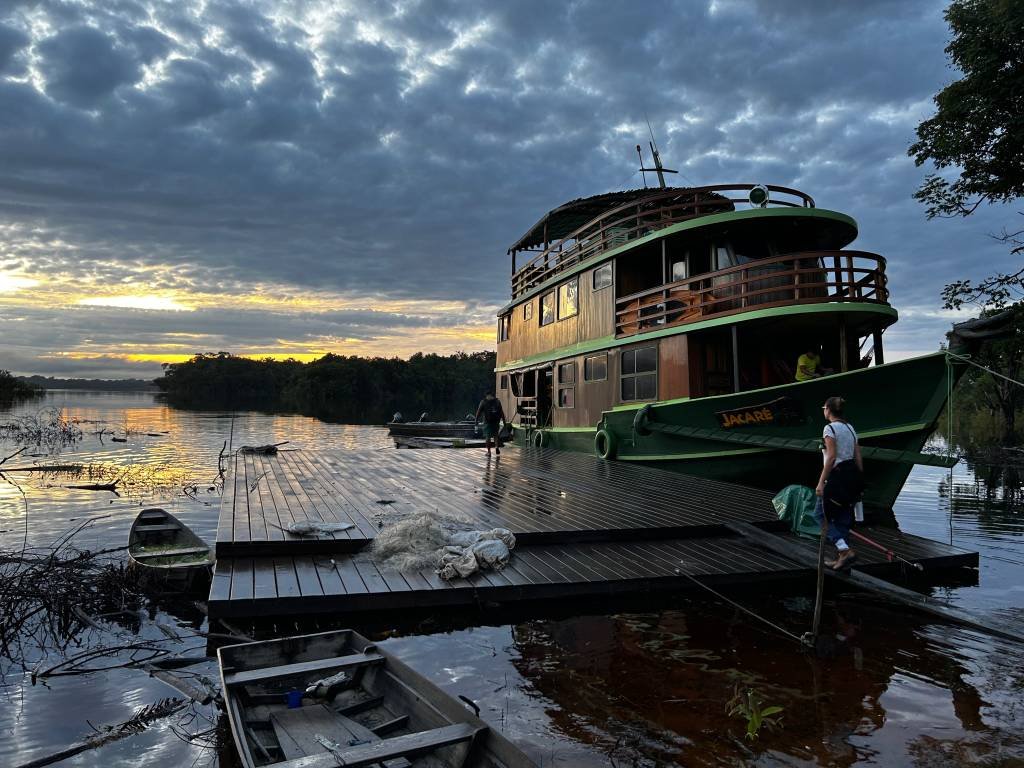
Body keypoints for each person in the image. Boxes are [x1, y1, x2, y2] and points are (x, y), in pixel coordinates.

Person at [815, 396, 864, 570]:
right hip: (851, 478)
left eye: (824, 408)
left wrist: (821, 483)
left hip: (836, 478)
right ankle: (841, 561)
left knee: (820, 515)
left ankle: (844, 551)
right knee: (843, 518)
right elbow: (858, 457)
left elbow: (832, 457)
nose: (823, 411)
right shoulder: (851, 429)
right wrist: (859, 481)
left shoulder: (829, 429)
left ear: (828, 409)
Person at [475, 393, 505, 457]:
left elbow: (478, 413)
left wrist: (476, 423)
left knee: (487, 437)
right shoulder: (497, 401)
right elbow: (502, 413)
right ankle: (496, 447)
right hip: (496, 422)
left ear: (486, 395)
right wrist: (504, 422)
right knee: (495, 435)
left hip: (487, 422)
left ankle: (489, 452)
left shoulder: (483, 401)